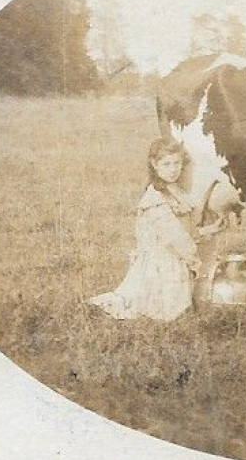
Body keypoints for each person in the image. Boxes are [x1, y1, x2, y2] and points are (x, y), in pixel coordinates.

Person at [88, 138, 224, 322]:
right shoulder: (154, 199)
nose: (173, 169)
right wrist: (195, 262)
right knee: (164, 311)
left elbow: (187, 234)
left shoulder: (177, 192)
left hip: (176, 259)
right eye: (166, 164)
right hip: (159, 263)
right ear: (155, 165)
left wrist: (211, 229)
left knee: (183, 307)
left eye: (177, 163)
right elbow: (175, 238)